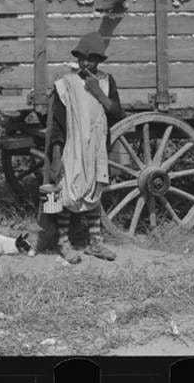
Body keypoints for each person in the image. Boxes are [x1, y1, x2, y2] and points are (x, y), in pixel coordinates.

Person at [43, 32, 124, 263]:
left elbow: (117, 113)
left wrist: (97, 92)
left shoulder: (106, 82)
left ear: (99, 60)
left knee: (93, 192)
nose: (85, 63)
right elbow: (58, 125)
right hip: (73, 146)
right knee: (69, 193)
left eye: (91, 59)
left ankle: (95, 243)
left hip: (96, 146)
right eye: (82, 58)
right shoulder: (66, 85)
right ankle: (63, 243)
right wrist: (56, 156)